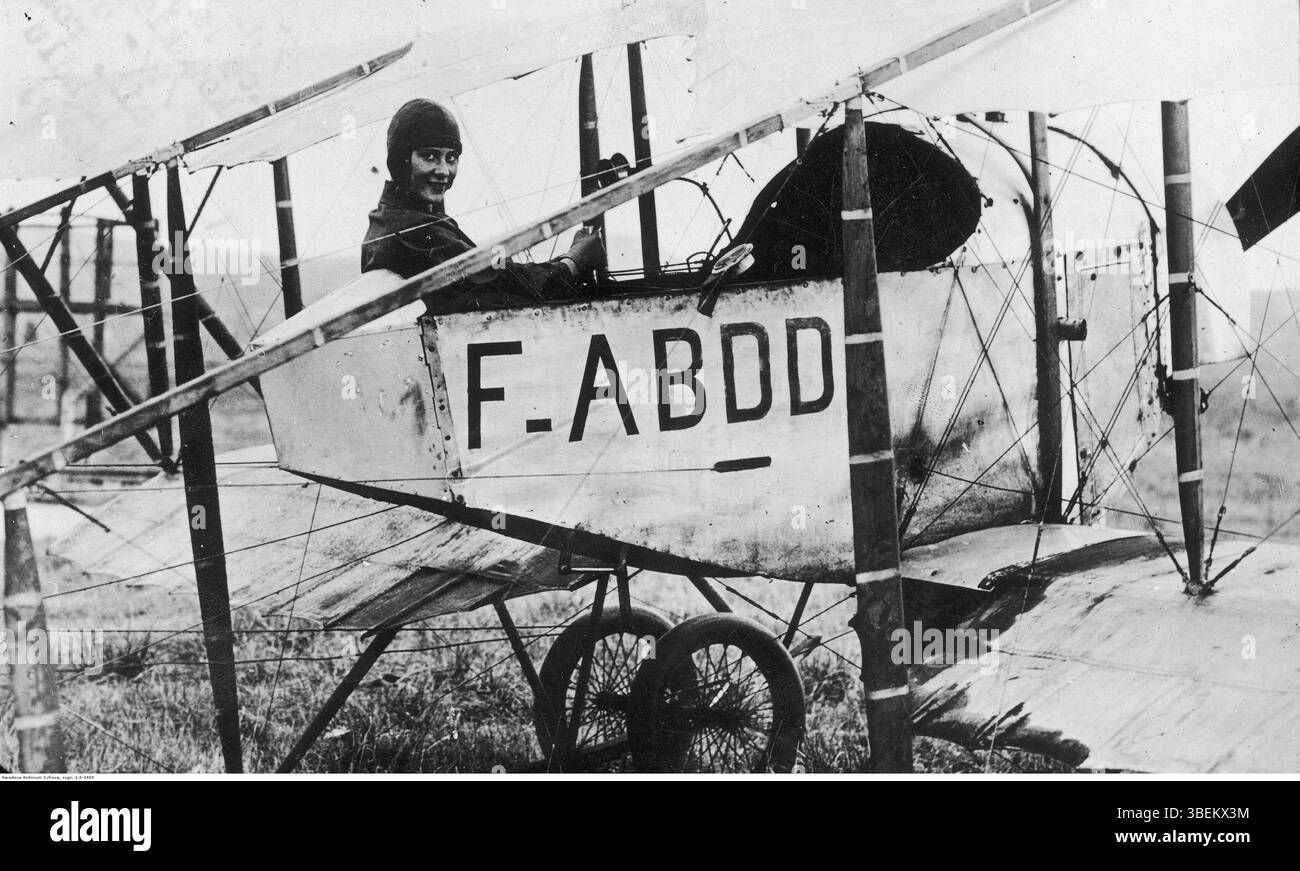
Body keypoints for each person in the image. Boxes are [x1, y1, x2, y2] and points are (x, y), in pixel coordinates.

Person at [361, 99, 605, 310]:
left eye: (451, 158)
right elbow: (501, 278)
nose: (443, 171)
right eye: (429, 156)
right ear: (401, 160)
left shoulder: (391, 218)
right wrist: (573, 261)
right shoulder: (413, 229)